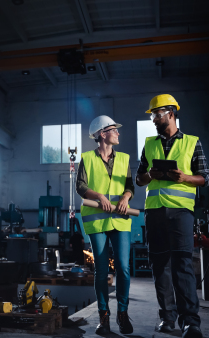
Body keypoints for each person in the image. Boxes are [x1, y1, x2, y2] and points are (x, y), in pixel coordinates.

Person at [135, 94, 209, 338]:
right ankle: (167, 318)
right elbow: (139, 179)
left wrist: (185, 178)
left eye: (157, 114)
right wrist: (151, 175)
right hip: (154, 213)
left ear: (171, 113)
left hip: (181, 213)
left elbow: (204, 178)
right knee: (160, 267)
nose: (154, 119)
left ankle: (190, 322)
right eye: (152, 115)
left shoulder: (192, 142)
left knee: (182, 266)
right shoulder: (149, 144)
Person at [76, 115, 134, 334]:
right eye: (113, 130)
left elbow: (129, 186)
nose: (118, 133)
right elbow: (81, 186)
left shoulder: (124, 159)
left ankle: (122, 313)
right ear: (102, 134)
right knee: (101, 270)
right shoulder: (87, 159)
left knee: (123, 267)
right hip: (97, 220)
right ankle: (104, 317)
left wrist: (125, 199)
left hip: (119, 218)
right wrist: (100, 196)